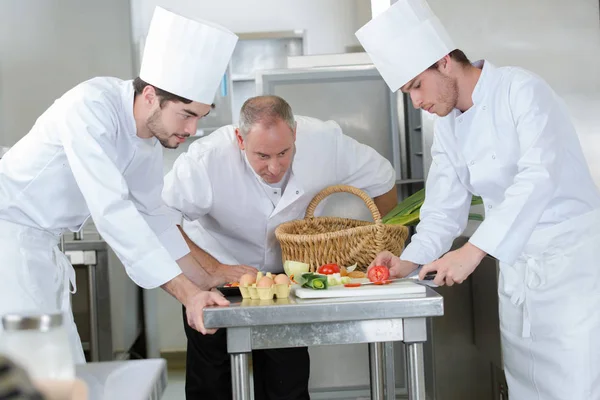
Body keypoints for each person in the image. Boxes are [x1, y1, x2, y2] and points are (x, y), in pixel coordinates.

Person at [356, 0, 600, 399]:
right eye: (406, 92)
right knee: (526, 386)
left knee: (577, 385)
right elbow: (441, 208)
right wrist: (409, 261)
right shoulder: (450, 127)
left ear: (444, 61)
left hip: (571, 271)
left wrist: (473, 251)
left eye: (416, 85)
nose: (415, 102)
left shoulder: (521, 90)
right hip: (518, 270)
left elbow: (538, 177)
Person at [0, 6, 238, 363]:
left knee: (62, 372)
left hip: (40, 250)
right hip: (10, 247)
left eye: (199, 118)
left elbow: (154, 216)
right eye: (186, 114)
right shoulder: (90, 107)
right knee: (35, 375)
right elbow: (112, 211)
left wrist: (207, 281)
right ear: (150, 97)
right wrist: (186, 293)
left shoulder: (146, 139)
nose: (191, 131)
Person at [162, 95, 399, 399]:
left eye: (284, 153)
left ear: (295, 133)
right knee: (210, 381)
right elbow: (162, 219)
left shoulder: (326, 142)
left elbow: (383, 178)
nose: (274, 167)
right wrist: (212, 269)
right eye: (262, 156)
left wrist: (385, 246)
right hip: (215, 277)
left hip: (283, 278)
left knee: (287, 381)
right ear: (240, 139)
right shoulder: (206, 159)